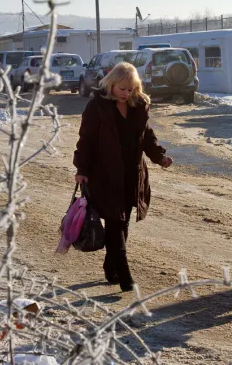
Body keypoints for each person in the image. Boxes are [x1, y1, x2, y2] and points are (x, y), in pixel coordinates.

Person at [73, 62, 173, 291]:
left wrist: (160, 157)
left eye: (131, 89)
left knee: (123, 221)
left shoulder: (138, 106)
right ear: (111, 84)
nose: (126, 93)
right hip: (105, 174)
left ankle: (111, 267)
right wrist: (82, 169)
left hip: (132, 174)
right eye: (122, 89)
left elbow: (146, 136)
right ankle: (125, 278)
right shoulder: (97, 107)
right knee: (115, 222)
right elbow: (86, 140)